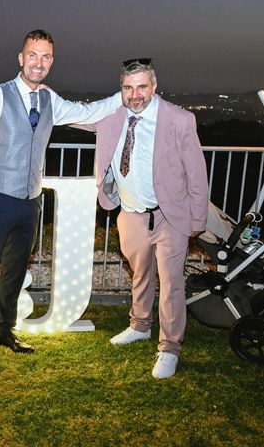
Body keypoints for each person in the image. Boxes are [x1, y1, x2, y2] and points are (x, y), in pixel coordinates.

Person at [0, 30, 123, 379]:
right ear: (21, 57)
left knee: (14, 273)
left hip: (30, 203)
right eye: (33, 55)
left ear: (51, 62)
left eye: (46, 57)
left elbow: (88, 111)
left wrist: (126, 95)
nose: (39, 63)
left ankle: (3, 330)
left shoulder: (49, 100)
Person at [72, 58, 208, 379]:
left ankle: (170, 348)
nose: (135, 95)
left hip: (168, 216)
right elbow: (74, 116)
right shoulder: (112, 116)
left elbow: (197, 173)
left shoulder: (178, 120)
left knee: (172, 283)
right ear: (121, 88)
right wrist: (41, 99)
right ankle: (140, 325)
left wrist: (196, 220)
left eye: (142, 87)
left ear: (154, 87)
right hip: (129, 213)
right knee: (140, 274)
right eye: (128, 87)